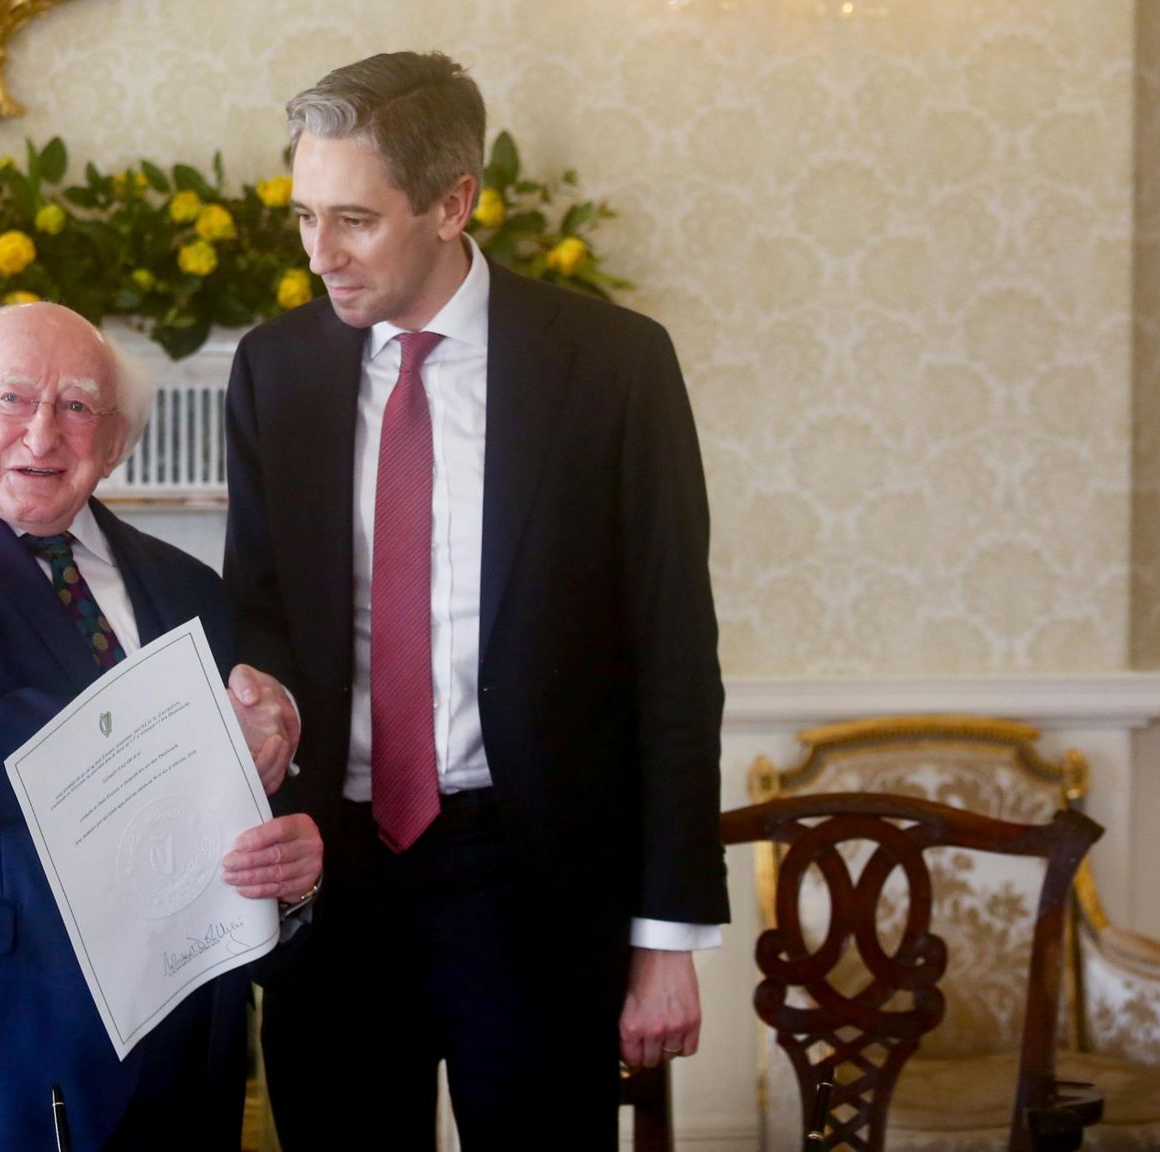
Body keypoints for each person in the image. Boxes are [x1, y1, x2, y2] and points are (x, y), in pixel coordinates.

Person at [224, 52, 730, 1149]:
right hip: (330, 873)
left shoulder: (611, 366)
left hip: (531, 876)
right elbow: (258, 610)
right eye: (303, 215)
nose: (319, 254)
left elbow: (673, 662)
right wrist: (262, 705)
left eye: (353, 219)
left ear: (454, 203)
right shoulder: (274, 370)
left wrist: (665, 939)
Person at [0, 302, 322, 1152]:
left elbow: (224, 807)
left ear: (114, 439)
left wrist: (292, 879)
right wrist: (183, 724)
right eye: (12, 398)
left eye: (79, 405)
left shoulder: (190, 589)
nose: (43, 432)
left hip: (180, 1054)